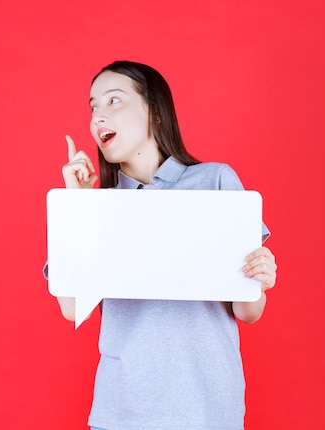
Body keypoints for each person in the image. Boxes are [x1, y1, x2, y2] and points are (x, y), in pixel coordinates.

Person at [46, 61, 277, 430]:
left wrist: (258, 276)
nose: (98, 117)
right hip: (122, 411)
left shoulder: (215, 181)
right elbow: (73, 309)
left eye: (113, 101)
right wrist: (79, 205)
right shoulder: (95, 207)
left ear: (153, 111)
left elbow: (248, 312)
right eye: (93, 108)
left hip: (208, 409)